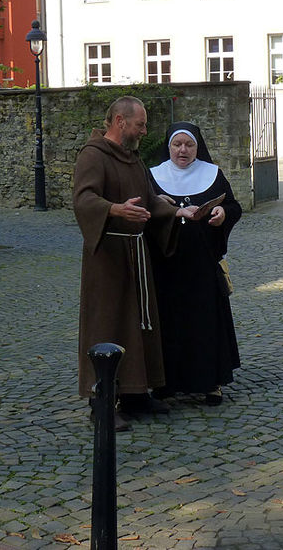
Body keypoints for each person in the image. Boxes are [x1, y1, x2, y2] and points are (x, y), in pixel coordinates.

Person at [72, 96, 197, 431]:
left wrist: (176, 212)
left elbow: (149, 199)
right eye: (140, 124)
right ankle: (101, 405)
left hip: (136, 255)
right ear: (119, 121)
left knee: (140, 325)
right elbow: (84, 199)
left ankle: (135, 394)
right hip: (108, 259)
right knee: (108, 325)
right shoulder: (93, 156)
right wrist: (115, 210)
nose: (145, 130)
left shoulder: (132, 160)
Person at [148, 122, 242, 406]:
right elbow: (146, 212)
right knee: (169, 323)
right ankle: (166, 384)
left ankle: (210, 383)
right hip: (166, 264)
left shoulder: (212, 175)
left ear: (197, 147)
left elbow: (234, 206)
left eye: (188, 145)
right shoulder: (152, 177)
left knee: (205, 323)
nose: (183, 150)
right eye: (177, 145)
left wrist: (222, 213)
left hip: (202, 264)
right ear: (168, 147)